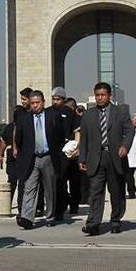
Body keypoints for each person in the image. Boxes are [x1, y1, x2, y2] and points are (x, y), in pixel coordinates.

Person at [78, 82, 133, 235]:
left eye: (103, 95)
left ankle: (115, 220)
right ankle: (93, 224)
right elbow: (84, 139)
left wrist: (125, 146)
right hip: (96, 158)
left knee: (116, 192)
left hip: (115, 157)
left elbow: (129, 132)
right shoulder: (88, 115)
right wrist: (82, 159)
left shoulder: (121, 112)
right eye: (97, 95)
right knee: (95, 191)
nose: (100, 98)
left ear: (110, 96)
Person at [14, 90, 67, 228]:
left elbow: (60, 135)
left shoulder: (53, 116)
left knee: (50, 189)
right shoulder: (24, 119)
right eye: (32, 103)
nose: (35, 106)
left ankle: (50, 217)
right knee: (29, 187)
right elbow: (18, 138)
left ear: (43, 102)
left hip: (48, 157)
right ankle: (27, 217)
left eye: (38, 103)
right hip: (32, 158)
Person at [49, 87, 79, 217]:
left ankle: (71, 205)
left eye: (58, 99)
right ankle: (56, 208)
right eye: (53, 99)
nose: (55, 101)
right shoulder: (48, 112)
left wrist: (77, 148)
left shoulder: (70, 113)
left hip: (67, 153)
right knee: (55, 181)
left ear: (63, 99)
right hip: (51, 152)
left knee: (68, 181)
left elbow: (78, 131)